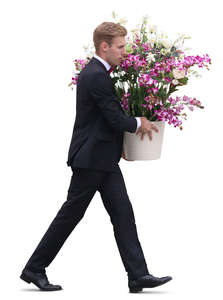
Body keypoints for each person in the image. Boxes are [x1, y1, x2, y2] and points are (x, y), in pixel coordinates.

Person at [20, 21, 172, 293]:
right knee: (70, 216)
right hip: (91, 160)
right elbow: (114, 118)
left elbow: (101, 120)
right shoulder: (95, 75)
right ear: (105, 46)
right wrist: (140, 123)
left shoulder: (98, 74)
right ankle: (34, 268)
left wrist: (121, 147)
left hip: (103, 159)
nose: (124, 52)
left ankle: (138, 275)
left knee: (123, 214)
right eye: (120, 47)